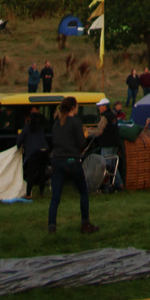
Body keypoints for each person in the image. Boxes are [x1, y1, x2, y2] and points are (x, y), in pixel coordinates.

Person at [47, 96, 97, 235]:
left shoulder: (56, 124)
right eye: (77, 106)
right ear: (73, 107)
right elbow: (81, 144)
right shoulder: (75, 123)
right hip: (71, 161)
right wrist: (84, 135)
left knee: (56, 197)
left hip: (57, 161)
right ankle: (85, 224)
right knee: (83, 191)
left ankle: (52, 226)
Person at [17, 108, 49, 197]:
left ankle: (28, 194)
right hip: (44, 150)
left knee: (31, 173)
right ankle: (41, 193)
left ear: (29, 119)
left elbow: (19, 139)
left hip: (34, 152)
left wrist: (18, 146)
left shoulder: (27, 127)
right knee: (42, 173)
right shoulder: (41, 127)